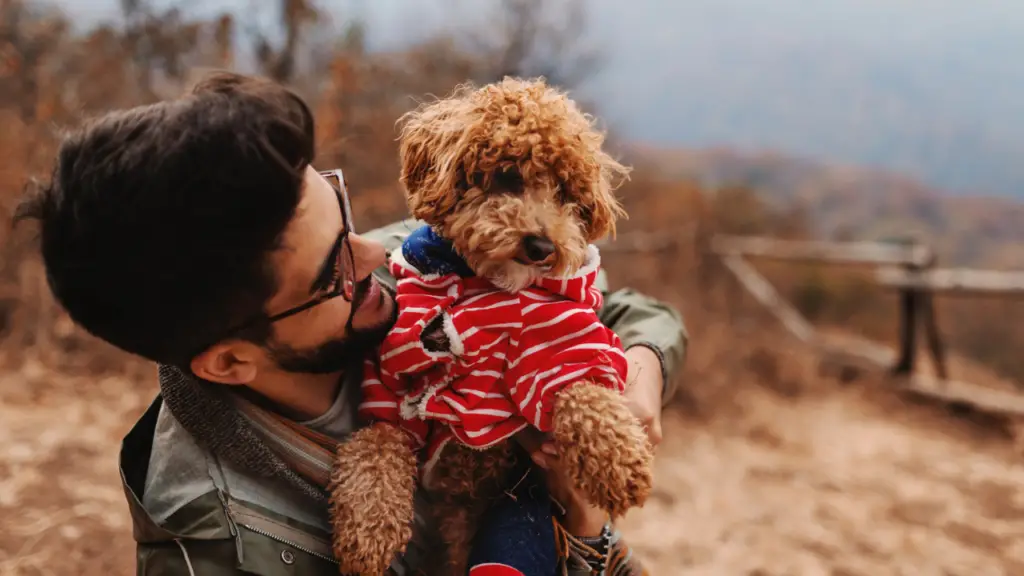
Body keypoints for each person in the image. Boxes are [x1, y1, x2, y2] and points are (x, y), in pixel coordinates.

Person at [15, 71, 688, 575]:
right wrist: (584, 527)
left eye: (339, 206)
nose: (377, 254)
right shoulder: (220, 544)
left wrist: (642, 369)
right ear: (228, 361)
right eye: (334, 267)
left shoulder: (406, 266)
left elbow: (619, 305)